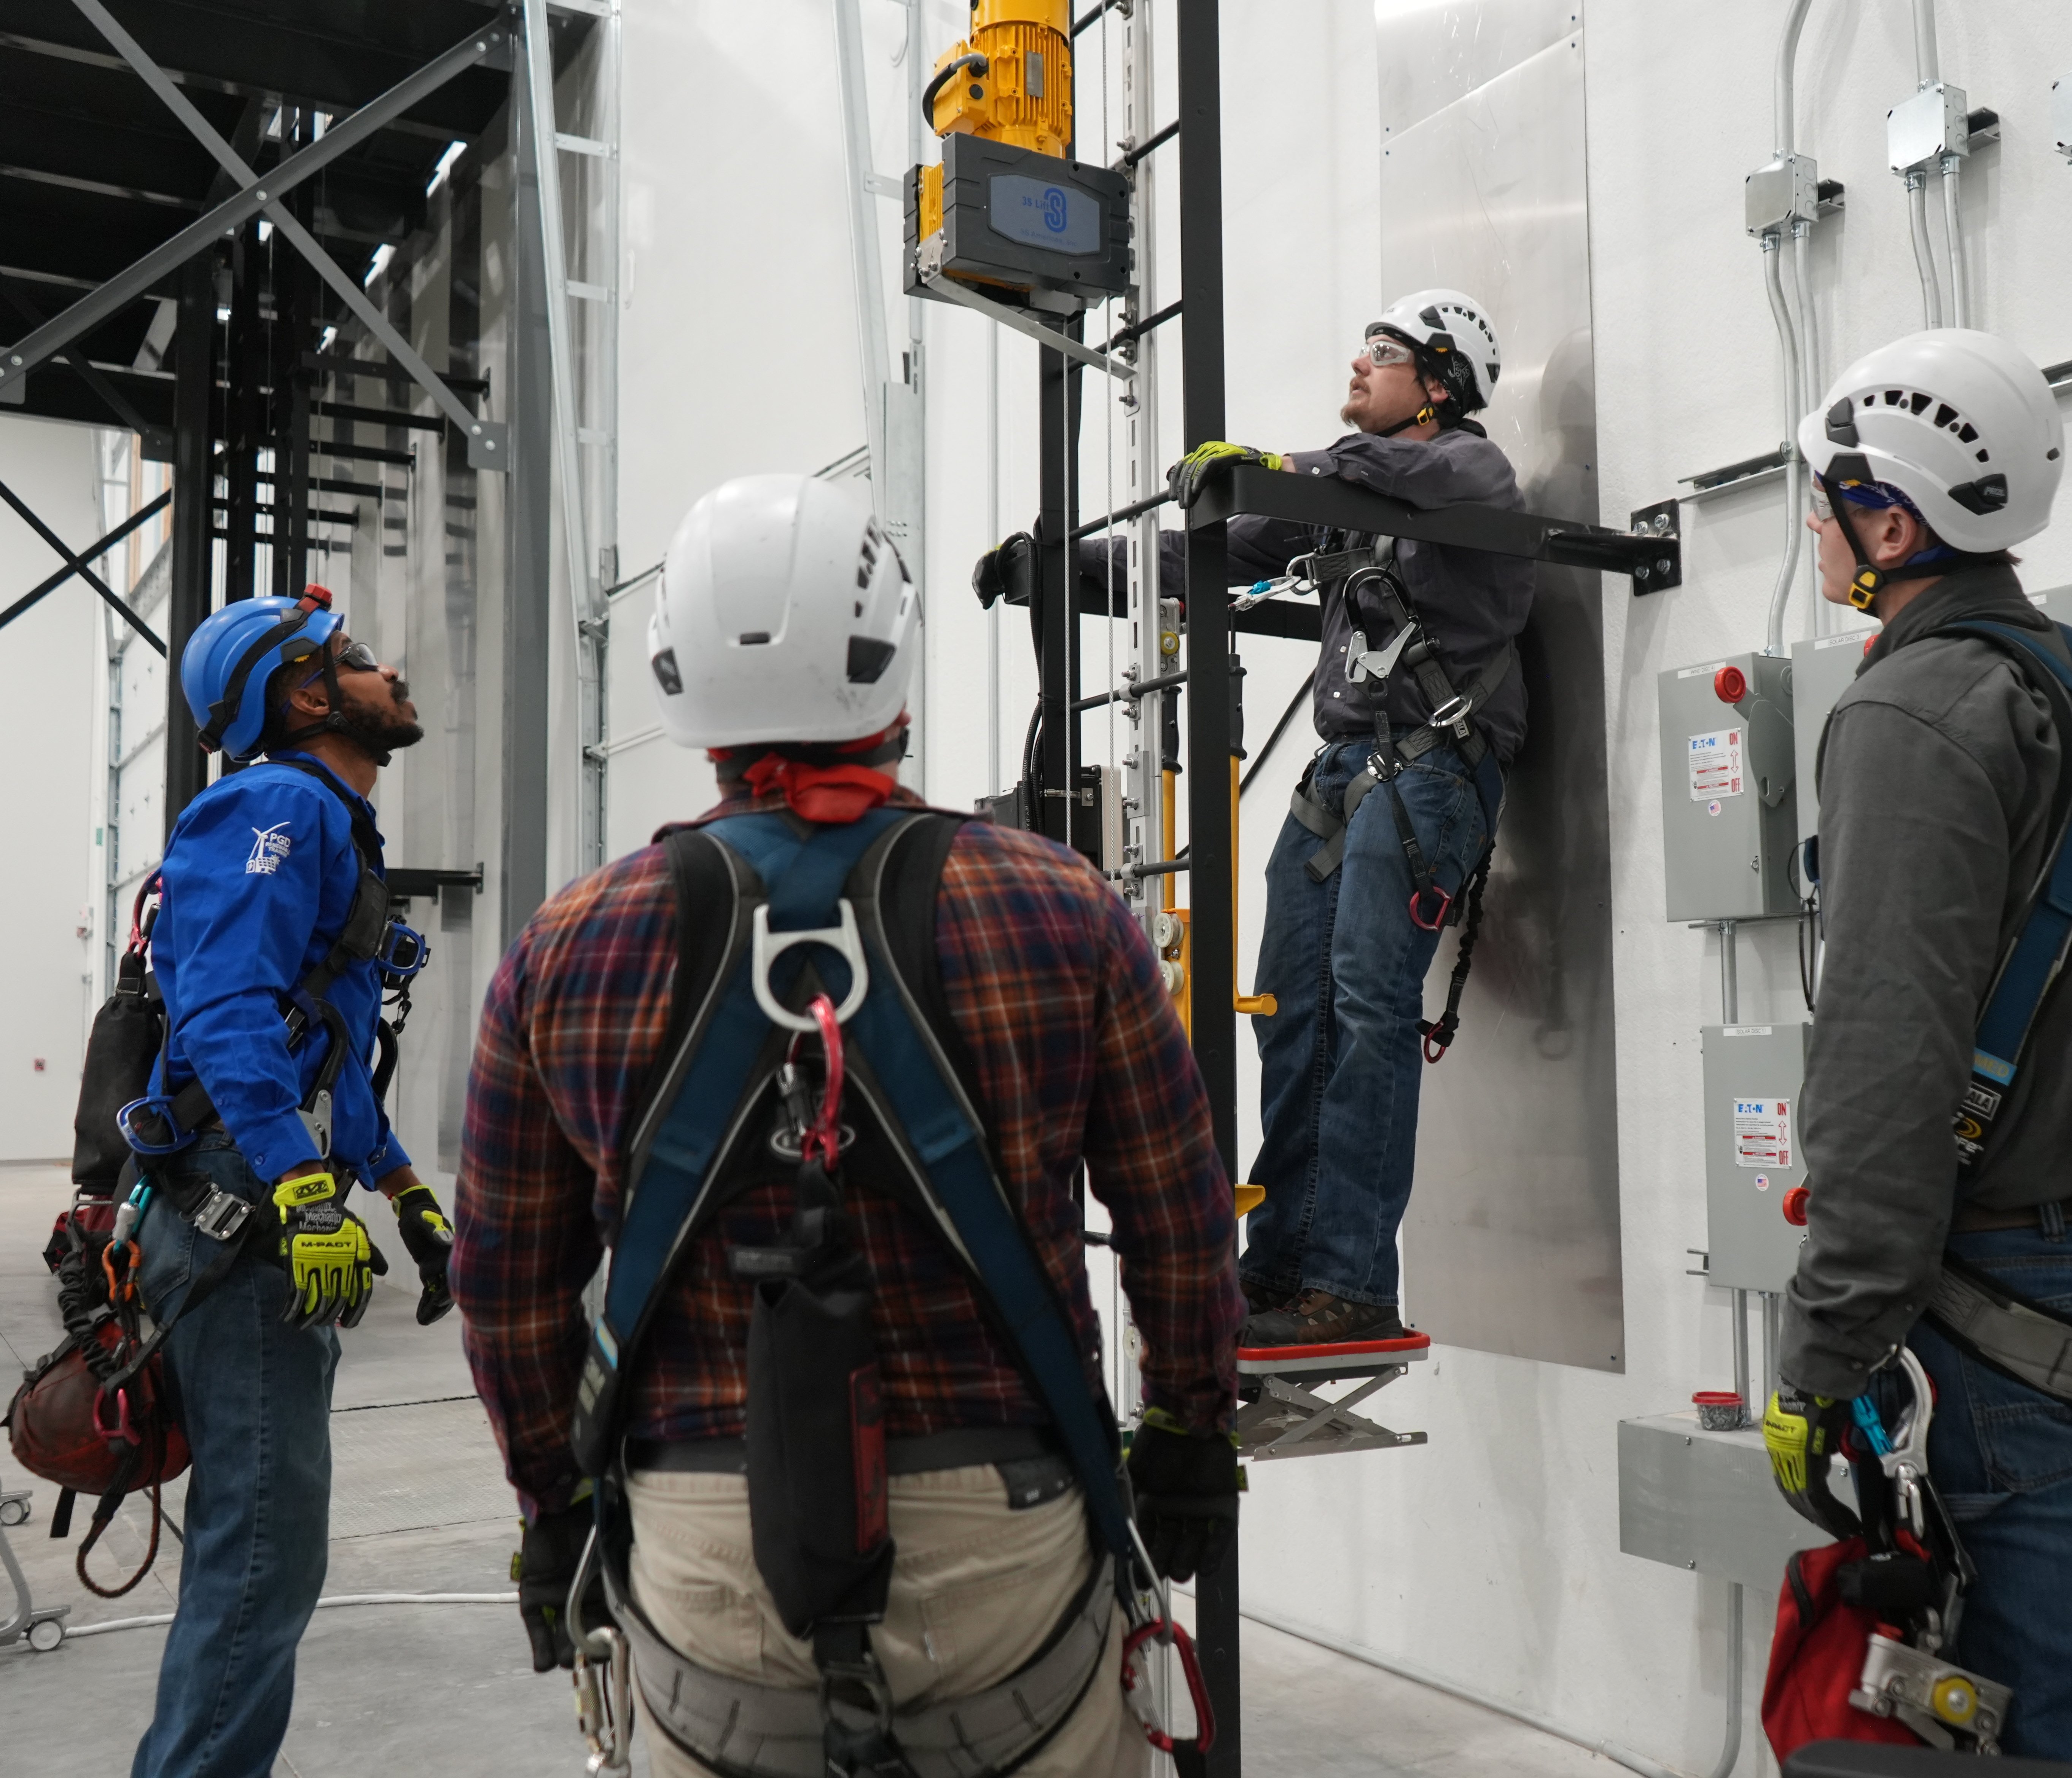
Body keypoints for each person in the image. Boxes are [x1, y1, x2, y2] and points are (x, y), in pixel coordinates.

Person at [454, 474, 1244, 1778]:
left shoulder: (569, 942)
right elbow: (1178, 1218)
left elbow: (501, 1286)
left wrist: (556, 1507)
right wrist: (1187, 1432)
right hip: (1007, 1540)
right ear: (894, 672)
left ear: (675, 688)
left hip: (707, 1548)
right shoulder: (1062, 908)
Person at [1758, 329, 2072, 1771]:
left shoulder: (1911, 708)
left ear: (1892, 521)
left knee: (2039, 1733)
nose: (1819, 529)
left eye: (1830, 500)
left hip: (1998, 1302)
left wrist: (1830, 1345)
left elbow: (1886, 1055)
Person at [974, 288, 1524, 1351]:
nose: (1360, 366)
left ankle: (1353, 1280)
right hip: (1350, 777)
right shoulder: (1354, 482)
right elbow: (1215, 558)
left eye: (1387, 354)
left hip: (1431, 772)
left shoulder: (1465, 468)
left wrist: (1274, 468)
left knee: (1369, 1010)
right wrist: (1067, 572)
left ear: (1444, 385)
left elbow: (1362, 474)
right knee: (1291, 1011)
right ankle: (1281, 1270)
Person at [125, 585, 453, 1778]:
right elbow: (222, 1018)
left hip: (260, 1204)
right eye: (355, 659)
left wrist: (403, 1188)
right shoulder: (270, 804)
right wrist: (303, 1197)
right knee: (261, 1550)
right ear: (306, 696)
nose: (387, 673)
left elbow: (321, 1050)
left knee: (267, 1546)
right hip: (240, 1220)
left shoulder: (323, 815)